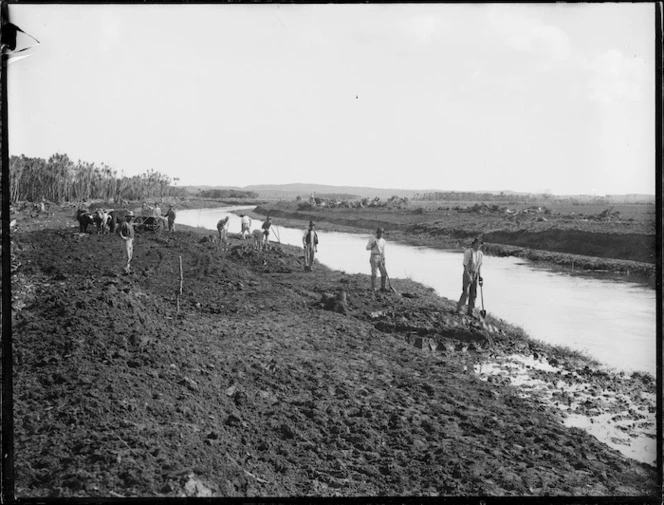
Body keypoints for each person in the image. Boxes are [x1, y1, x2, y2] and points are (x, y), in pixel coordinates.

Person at [456, 237, 484, 317]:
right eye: (476, 243)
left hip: (475, 274)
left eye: (480, 244)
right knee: (466, 293)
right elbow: (464, 265)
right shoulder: (468, 252)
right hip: (468, 273)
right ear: (473, 244)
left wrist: (480, 276)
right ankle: (460, 310)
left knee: (473, 293)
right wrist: (468, 276)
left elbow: (479, 266)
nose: (478, 245)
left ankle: (471, 311)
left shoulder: (480, 254)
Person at [366, 227, 387, 291]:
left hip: (380, 257)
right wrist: (372, 246)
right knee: (374, 272)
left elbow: (383, 251)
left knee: (384, 272)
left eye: (382, 233)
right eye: (379, 233)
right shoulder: (372, 239)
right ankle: (373, 288)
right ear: (377, 233)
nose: (380, 234)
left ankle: (383, 287)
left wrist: (384, 259)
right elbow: (367, 248)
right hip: (373, 256)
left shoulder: (383, 241)